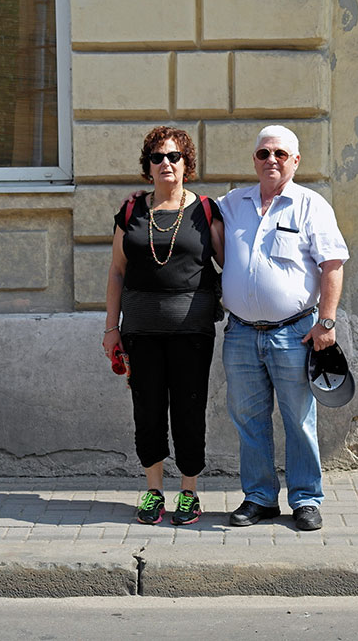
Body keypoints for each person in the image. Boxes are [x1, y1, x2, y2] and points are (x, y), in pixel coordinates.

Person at [220, 125, 349, 531]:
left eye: (279, 153)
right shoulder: (232, 203)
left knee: (298, 418)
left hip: (295, 333)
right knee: (248, 418)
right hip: (240, 333)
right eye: (263, 153)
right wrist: (146, 197)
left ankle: (306, 499)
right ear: (254, 160)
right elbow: (188, 210)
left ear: (295, 161)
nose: (270, 160)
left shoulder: (311, 206)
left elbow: (332, 266)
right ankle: (259, 498)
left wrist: (326, 323)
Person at [103, 126, 225, 526]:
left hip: (192, 333)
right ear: (148, 166)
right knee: (148, 410)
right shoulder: (130, 212)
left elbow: (232, 264)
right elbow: (117, 273)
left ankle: (189, 492)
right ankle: (154, 491)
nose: (166, 164)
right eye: (158, 157)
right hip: (140, 331)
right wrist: (111, 328)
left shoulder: (205, 211)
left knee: (189, 409)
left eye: (174, 157)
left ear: (186, 164)